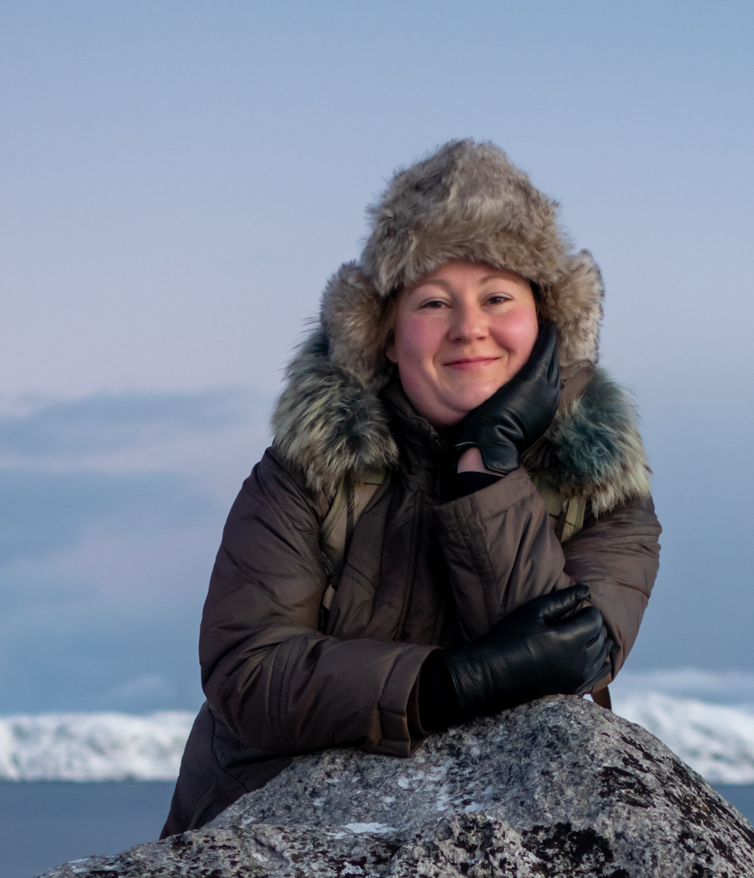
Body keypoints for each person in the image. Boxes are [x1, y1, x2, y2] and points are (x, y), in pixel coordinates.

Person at [162, 139, 661, 835]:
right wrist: (444, 684)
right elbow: (249, 671)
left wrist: (486, 463)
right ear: (386, 334)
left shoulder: (601, 489)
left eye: (497, 296)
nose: (469, 328)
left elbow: (568, 659)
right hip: (266, 846)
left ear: (546, 326)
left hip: (502, 849)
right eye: (433, 301)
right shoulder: (309, 469)